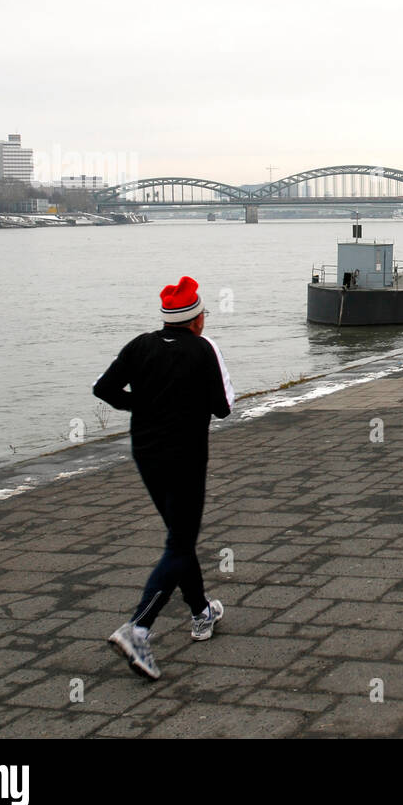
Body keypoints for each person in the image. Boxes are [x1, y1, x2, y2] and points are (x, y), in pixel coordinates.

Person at [94, 275, 235, 680]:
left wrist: (142, 403)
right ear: (195, 320)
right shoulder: (204, 350)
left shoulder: (140, 345)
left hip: (146, 454)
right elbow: (223, 407)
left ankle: (201, 612)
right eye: (203, 313)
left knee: (179, 537)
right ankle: (137, 628)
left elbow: (103, 388)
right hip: (186, 457)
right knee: (179, 542)